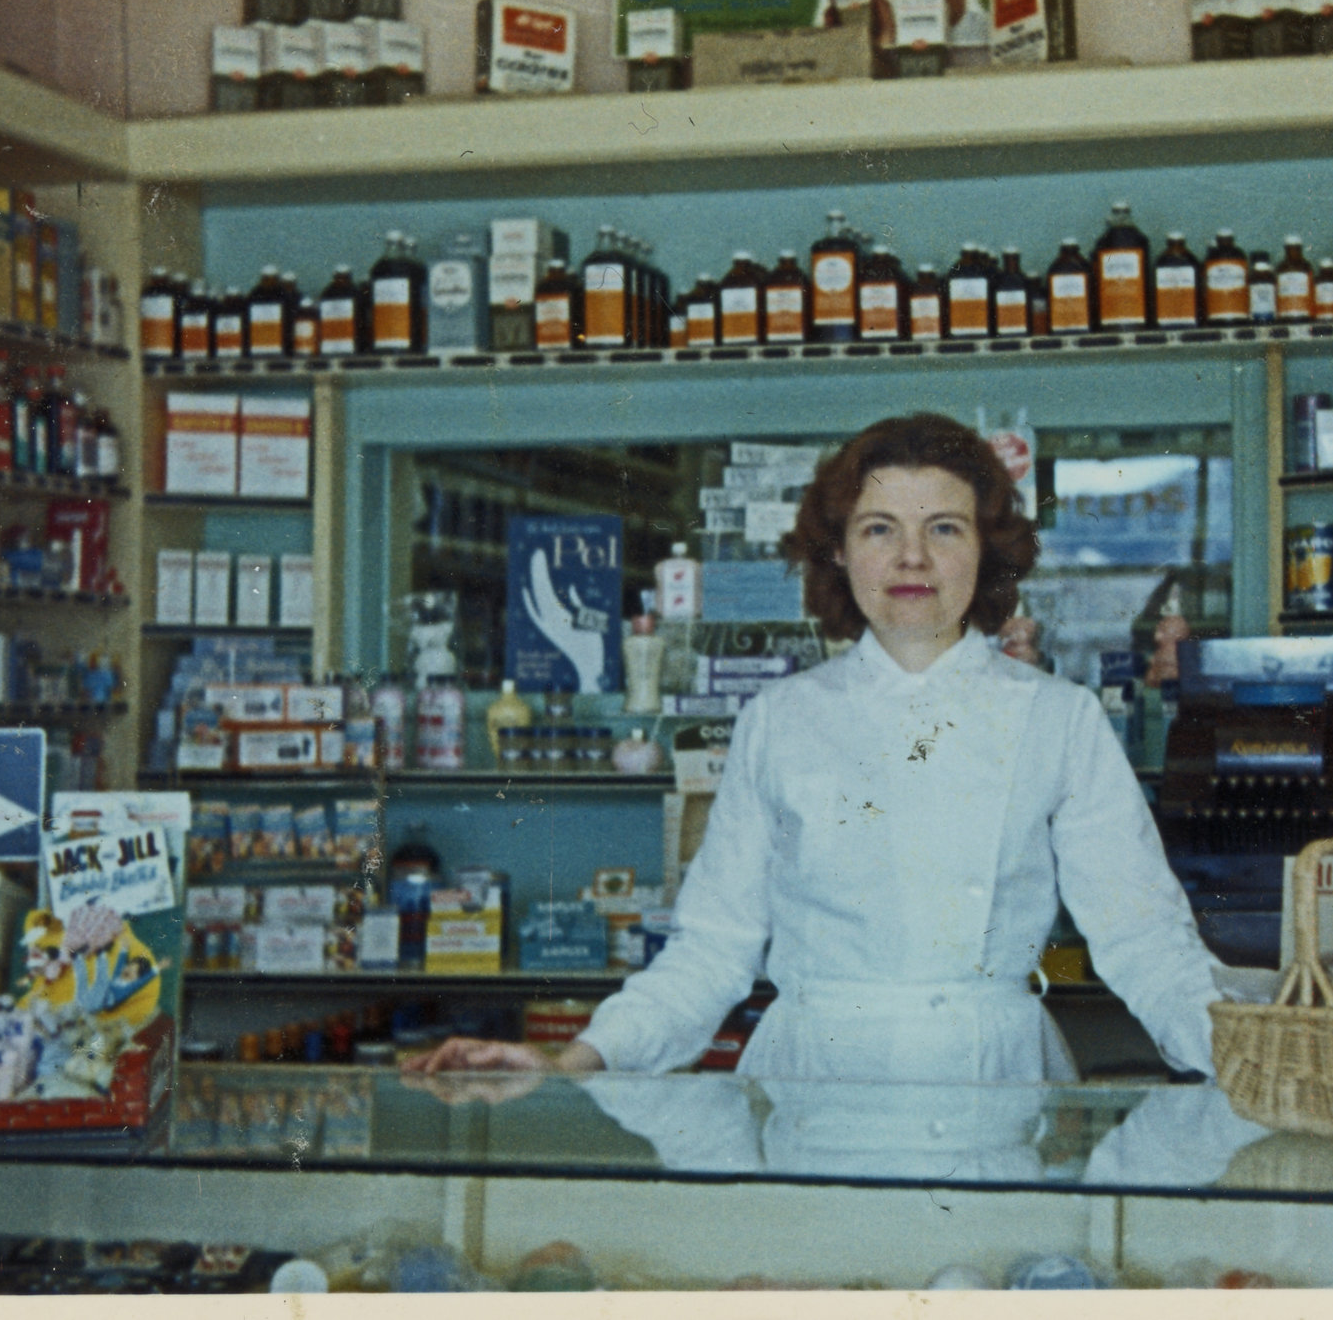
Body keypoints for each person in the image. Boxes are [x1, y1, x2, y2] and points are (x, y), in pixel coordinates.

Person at [407, 412, 1227, 1085]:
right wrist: (570, 1060)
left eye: (943, 527)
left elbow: (1146, 941)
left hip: (994, 1077)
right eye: (880, 528)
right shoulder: (780, 718)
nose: (911, 557)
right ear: (838, 550)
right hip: (810, 1080)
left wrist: (1249, 1062)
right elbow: (711, 951)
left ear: (987, 548)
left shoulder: (1060, 718)